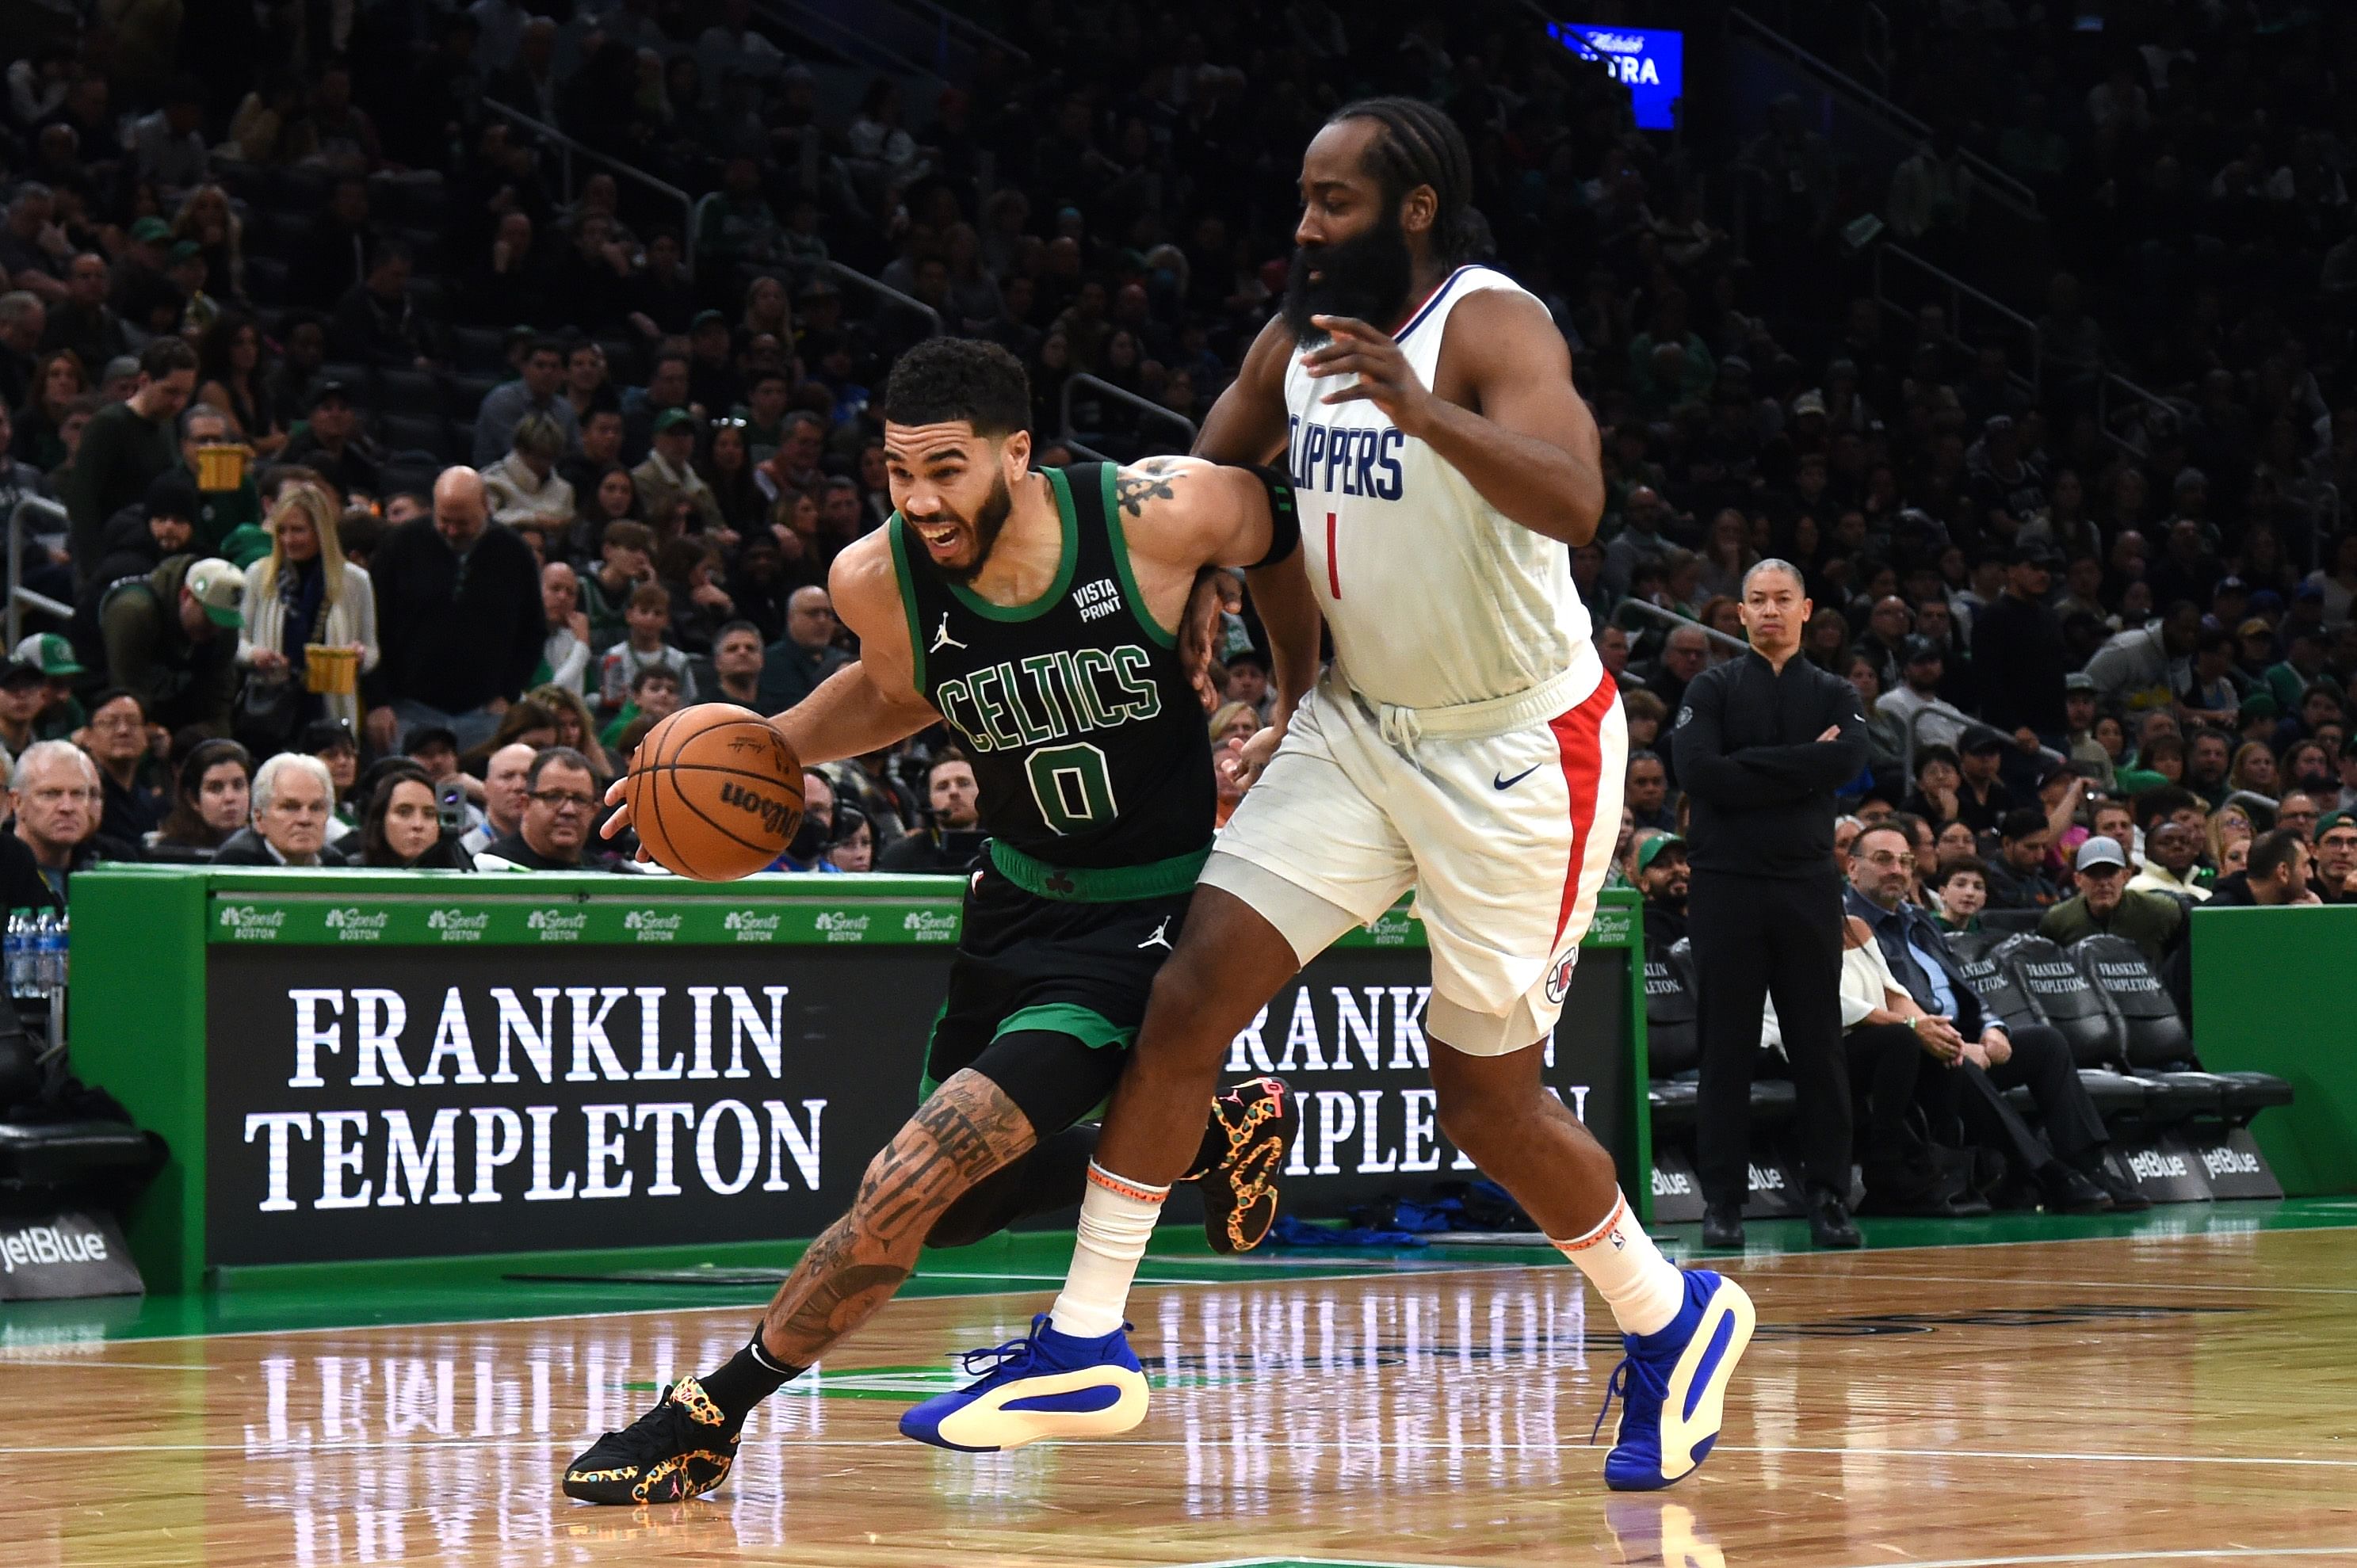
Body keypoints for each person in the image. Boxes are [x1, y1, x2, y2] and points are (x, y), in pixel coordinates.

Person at [897, 107, 1747, 1494]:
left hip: (1517, 750)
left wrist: (1422, 414)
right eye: (1300, 198)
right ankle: (1085, 1338)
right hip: (1352, 726)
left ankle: (1669, 1310)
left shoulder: (1488, 327)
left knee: (1482, 1102)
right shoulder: (1292, 340)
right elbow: (1204, 477)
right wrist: (1184, 593)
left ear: (1412, 208)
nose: (1301, 225)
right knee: (1183, 998)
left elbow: (1578, 498)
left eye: (1332, 202)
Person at [566, 334, 1312, 1503]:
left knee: (912, 1171)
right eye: (898, 472)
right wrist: (751, 753)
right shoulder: (880, 575)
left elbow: (1292, 525)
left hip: (1146, 921)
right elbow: (889, 688)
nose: (919, 499)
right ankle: (1211, 1136)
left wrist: (1292, 690)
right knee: (960, 1208)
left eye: (947, 470)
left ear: (1019, 452)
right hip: (1011, 901)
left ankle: (711, 1410)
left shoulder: (1153, 516)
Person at [1673, 559, 1867, 1253]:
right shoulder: (1711, 685)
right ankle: (1722, 1202)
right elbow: (1697, 772)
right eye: (1757, 600)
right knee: (1724, 1047)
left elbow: (1848, 762)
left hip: (1807, 886)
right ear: (1741, 613)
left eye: (1783, 599)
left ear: (1807, 609)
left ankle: (1828, 1200)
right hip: (1725, 884)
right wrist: (1797, 764)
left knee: (1819, 1046)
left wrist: (1747, 765)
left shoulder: (1834, 690)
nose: (1770, 611)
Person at [1847, 822, 2139, 1211]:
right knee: (1954, 1061)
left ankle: (2089, 1166)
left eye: (1905, 861)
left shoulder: (1919, 921)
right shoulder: (1849, 929)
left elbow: (1963, 987)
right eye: (1883, 860)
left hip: (1959, 1040)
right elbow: (1882, 1002)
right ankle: (2047, 1172)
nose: (1898, 870)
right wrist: (1956, 1043)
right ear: (1852, 868)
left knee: (2045, 1044)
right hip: (1911, 1054)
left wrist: (1991, 1029)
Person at [366, 467, 547, 754]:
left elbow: (533, 630)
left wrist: (508, 693)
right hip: (408, 709)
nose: (451, 531)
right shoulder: (400, 546)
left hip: (484, 714)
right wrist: (377, 701)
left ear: (486, 508)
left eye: (462, 523)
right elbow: (371, 627)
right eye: (444, 521)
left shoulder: (514, 553)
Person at [239, 483, 377, 732]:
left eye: (298, 530)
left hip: (331, 709)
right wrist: (255, 655)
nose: (288, 540)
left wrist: (359, 655)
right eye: (282, 530)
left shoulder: (355, 581)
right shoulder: (258, 575)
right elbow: (238, 643)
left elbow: (372, 651)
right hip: (273, 710)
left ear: (320, 531)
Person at [63, 337, 197, 584]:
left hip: (149, 553)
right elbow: (82, 501)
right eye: (170, 392)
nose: (178, 403)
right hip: (109, 558)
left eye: (185, 394)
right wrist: (95, 569)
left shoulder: (166, 424)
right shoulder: (109, 425)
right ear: (144, 381)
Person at [2039, 837, 2186, 966]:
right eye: (2093, 874)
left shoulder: (2159, 911)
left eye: (2110, 873)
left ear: (2126, 876)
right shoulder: (2058, 920)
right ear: (2078, 879)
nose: (2103, 883)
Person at [0, 741, 108, 907]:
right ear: (17, 802)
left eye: (78, 794)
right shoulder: (8, 864)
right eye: (51, 794)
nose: (67, 807)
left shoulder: (106, 860)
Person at [475, 746, 614, 870]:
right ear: (526, 804)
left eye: (580, 799)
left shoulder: (607, 875)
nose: (568, 810)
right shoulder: (494, 869)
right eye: (553, 797)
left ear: (594, 810)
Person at [213, 752, 346, 866]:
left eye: (316, 808)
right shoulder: (235, 863)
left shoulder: (334, 862)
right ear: (259, 819)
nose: (305, 819)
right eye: (290, 808)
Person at [472, 338, 581, 467]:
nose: (548, 372)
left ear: (563, 373)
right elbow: (519, 454)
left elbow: (575, 454)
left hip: (551, 478)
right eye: (540, 365)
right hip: (498, 478)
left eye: (554, 366)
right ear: (524, 368)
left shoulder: (565, 409)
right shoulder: (502, 400)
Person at [877, 751, 984, 872]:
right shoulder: (900, 856)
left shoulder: (1002, 849)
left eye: (964, 783)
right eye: (942, 787)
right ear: (927, 799)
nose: (954, 792)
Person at [147, 737, 252, 856]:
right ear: (193, 799)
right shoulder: (170, 854)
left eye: (238, 785)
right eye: (215, 788)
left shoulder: (268, 846)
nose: (230, 798)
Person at [757, 586, 850, 711]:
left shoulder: (841, 658)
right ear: (791, 618)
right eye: (813, 613)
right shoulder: (771, 661)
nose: (822, 620)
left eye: (828, 614)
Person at [360, 767, 475, 869]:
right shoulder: (350, 871)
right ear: (380, 821)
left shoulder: (461, 870)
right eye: (404, 812)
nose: (418, 824)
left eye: (429, 814)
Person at [460, 741, 537, 856]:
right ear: (486, 788)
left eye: (528, 777)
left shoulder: (560, 850)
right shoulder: (463, 852)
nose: (519, 786)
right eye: (507, 776)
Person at [2205, 827, 2316, 907]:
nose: (2310, 875)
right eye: (2305, 865)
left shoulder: (2294, 908)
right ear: (2283, 872)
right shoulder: (2220, 913)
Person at [1984, 807, 2063, 910]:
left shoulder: (2046, 884)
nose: (2041, 856)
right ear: (2007, 843)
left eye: (2044, 847)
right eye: (2031, 847)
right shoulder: (1985, 881)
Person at [1633, 831, 1688, 944]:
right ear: (1644, 883)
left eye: (1682, 861)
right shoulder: (1649, 921)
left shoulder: (1703, 915)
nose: (1677, 869)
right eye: (1662, 865)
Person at [709, 620, 765, 708]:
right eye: (732, 648)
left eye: (750, 648)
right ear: (717, 661)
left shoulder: (780, 705)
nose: (743, 652)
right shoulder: (704, 709)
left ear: (762, 659)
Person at [1928, 856, 1990, 933]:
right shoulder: (1927, 927)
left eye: (1978, 887)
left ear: (1985, 897)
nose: (1970, 893)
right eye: (1960, 885)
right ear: (1943, 893)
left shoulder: (1981, 930)